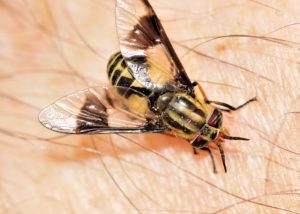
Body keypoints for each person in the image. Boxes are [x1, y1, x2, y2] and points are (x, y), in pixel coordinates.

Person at [0, 0, 299, 213]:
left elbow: (179, 76)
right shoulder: (169, 119)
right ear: (205, 107)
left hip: (154, 83)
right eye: (216, 119)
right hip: (137, 89)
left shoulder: (182, 88)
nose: (210, 128)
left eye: (202, 135)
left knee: (137, 98)